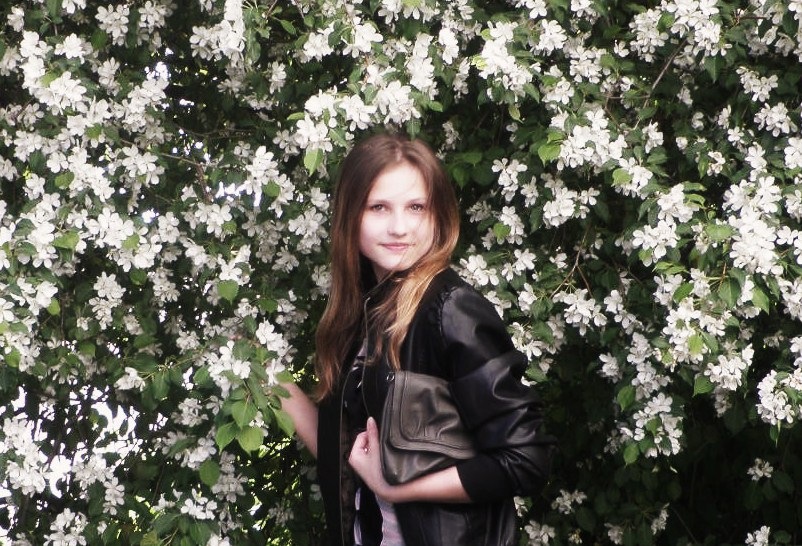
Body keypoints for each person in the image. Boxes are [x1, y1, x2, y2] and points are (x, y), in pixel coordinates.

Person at [279, 132, 554, 546]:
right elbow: (347, 455)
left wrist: (397, 489)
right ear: (349, 216)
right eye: (378, 207)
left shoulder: (450, 310)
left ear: (437, 215)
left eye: (416, 207)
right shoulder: (362, 315)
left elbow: (526, 459)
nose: (399, 227)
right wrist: (261, 375)